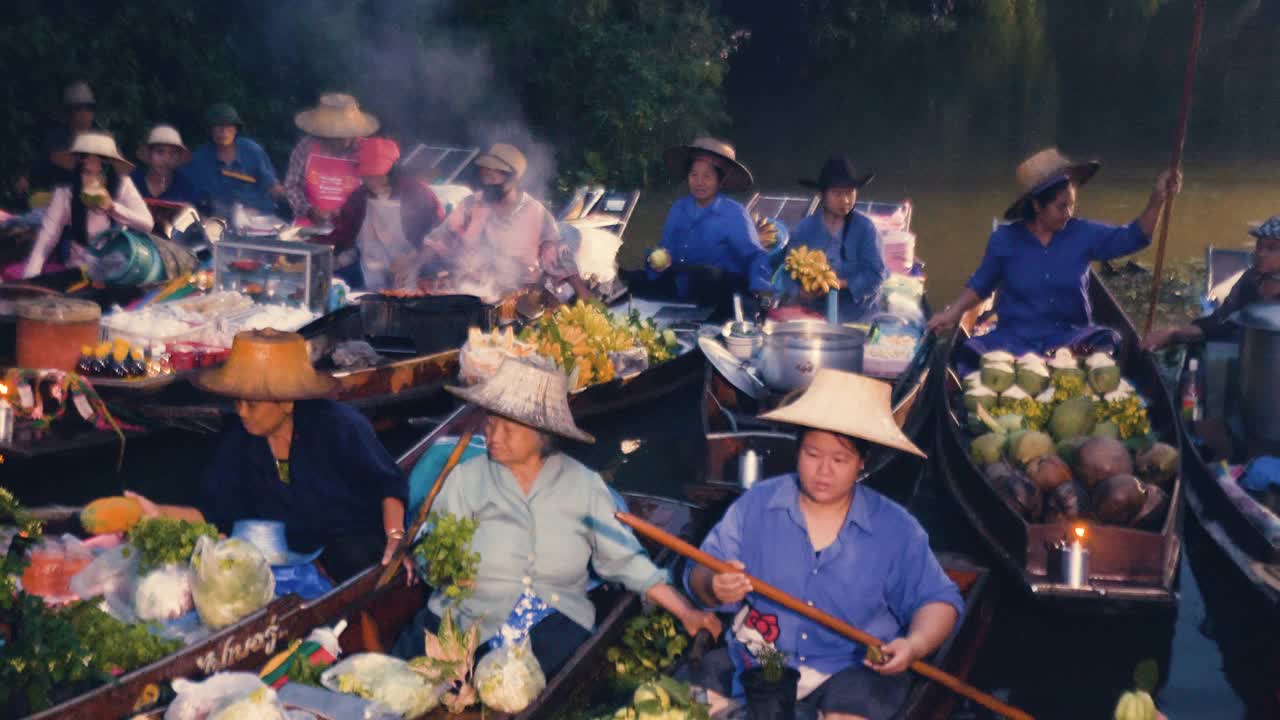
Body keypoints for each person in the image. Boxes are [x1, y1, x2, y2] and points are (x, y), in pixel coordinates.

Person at [391, 358, 720, 676]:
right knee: (404, 664)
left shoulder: (582, 487)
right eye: (490, 424)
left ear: (541, 436)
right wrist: (435, 566)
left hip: (546, 617)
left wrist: (687, 611)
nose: (493, 436)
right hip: (467, 610)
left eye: (507, 428)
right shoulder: (466, 478)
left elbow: (626, 563)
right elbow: (433, 548)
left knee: (510, 680)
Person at [685, 369, 961, 720]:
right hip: (764, 658)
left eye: (840, 460)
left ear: (862, 462)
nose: (824, 471)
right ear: (797, 450)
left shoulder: (894, 528)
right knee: (692, 703)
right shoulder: (756, 505)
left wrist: (914, 644)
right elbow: (699, 571)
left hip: (852, 666)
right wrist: (713, 585)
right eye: (813, 454)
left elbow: (938, 601)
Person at [124, 329, 408, 583]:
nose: (241, 412)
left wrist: (395, 536)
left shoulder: (341, 426)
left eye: (251, 404)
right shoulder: (240, 441)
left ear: (285, 402)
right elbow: (213, 514)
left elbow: (388, 484)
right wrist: (155, 512)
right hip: (289, 556)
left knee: (352, 556)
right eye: (238, 402)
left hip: (353, 545)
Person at [926, 148, 1181, 362]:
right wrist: (952, 312)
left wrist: (1158, 198)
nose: (1069, 213)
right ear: (1037, 206)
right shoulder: (1005, 241)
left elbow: (1136, 236)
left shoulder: (1083, 234)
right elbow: (981, 285)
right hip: (1016, 340)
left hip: (1069, 339)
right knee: (970, 353)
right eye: (1061, 207)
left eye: (1071, 205)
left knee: (1108, 340)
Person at [403, 143, 593, 301]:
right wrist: (414, 266)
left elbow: (558, 256)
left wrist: (582, 292)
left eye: (495, 176)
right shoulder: (471, 205)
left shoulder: (535, 213)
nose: (488, 181)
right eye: (485, 175)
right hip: (468, 291)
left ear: (514, 178)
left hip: (517, 297)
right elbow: (440, 239)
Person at [645, 137, 771, 310]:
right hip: (682, 291)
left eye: (707, 176)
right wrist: (656, 258)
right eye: (694, 175)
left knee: (706, 274)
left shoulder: (734, 213)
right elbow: (665, 248)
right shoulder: (678, 208)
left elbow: (755, 255)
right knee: (637, 278)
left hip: (720, 294)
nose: (699, 182)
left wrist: (760, 285)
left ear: (720, 180)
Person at [311, 137, 444, 289]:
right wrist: (314, 247)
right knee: (326, 287)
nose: (371, 180)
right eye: (367, 176)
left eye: (376, 174)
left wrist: (414, 259)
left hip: (416, 272)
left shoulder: (417, 192)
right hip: (368, 272)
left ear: (391, 171)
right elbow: (343, 235)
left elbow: (440, 235)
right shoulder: (358, 198)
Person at [22, 131, 153, 278]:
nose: (93, 180)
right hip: (80, 268)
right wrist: (30, 278)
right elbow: (46, 239)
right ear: (77, 172)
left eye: (100, 173)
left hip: (119, 265)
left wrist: (113, 208)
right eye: (87, 172)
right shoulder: (65, 194)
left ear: (109, 172)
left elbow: (147, 224)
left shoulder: (123, 186)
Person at [1144, 216, 1280, 350]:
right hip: (1245, 352)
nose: (1261, 253)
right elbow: (1220, 321)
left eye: (1272, 248)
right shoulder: (1250, 279)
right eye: (1259, 246)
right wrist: (1173, 334)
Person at [782, 155, 888, 319]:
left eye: (850, 193)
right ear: (821, 195)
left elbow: (875, 275)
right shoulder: (804, 229)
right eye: (837, 194)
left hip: (859, 315)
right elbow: (788, 273)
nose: (845, 200)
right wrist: (802, 292)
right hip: (815, 314)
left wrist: (840, 284)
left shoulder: (866, 229)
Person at [284, 93, 378, 225]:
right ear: (323, 133)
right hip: (309, 227)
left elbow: (377, 192)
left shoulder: (367, 151)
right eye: (336, 137)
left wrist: (352, 212)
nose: (343, 142)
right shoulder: (306, 146)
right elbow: (292, 186)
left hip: (353, 229)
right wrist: (309, 210)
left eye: (347, 135)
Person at [12, 81, 102, 209]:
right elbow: (43, 162)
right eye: (79, 108)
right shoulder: (57, 138)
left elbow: (117, 169)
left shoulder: (102, 137)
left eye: (89, 108)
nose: (85, 113)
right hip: (60, 198)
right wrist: (26, 178)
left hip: (95, 199)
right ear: (69, 112)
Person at [186, 103, 285, 217]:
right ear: (210, 130)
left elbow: (271, 185)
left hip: (260, 216)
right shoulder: (200, 157)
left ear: (236, 129)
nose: (224, 131)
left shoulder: (252, 150)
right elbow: (195, 197)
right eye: (218, 126)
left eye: (229, 126)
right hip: (219, 220)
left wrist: (288, 195)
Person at [131, 124, 197, 204]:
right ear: (149, 154)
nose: (166, 159)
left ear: (178, 158)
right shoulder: (132, 182)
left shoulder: (185, 187)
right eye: (160, 152)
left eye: (172, 153)